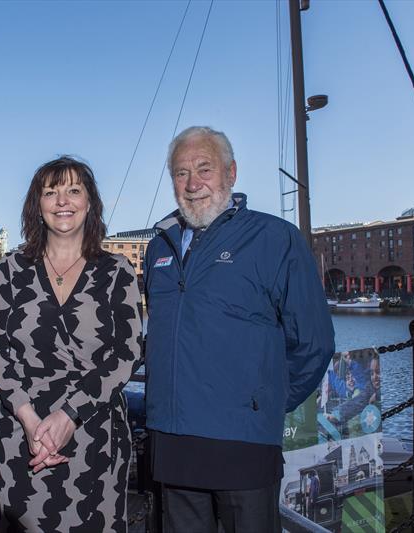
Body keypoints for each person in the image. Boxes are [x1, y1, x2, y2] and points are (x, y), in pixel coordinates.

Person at [144, 126, 335, 532]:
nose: (193, 184)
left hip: (243, 440)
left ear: (231, 173)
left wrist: (264, 400)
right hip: (173, 439)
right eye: (181, 173)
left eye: (204, 169)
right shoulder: (158, 246)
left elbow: (314, 343)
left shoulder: (275, 239)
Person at [0, 156, 143, 532]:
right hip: (20, 435)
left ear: (90, 202)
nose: (62, 201)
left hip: (93, 437)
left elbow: (127, 352)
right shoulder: (10, 270)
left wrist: (69, 415)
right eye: (50, 193)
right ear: (37, 204)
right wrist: (29, 418)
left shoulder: (116, 272)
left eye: (73, 190)